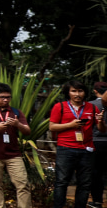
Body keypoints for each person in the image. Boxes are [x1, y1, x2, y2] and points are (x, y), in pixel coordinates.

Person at [50, 80, 102, 208]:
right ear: (68, 93)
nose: (77, 94)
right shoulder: (60, 106)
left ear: (85, 92)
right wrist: (70, 125)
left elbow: (101, 129)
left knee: (84, 184)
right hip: (65, 149)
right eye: (74, 91)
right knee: (62, 182)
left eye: (80, 91)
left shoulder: (92, 107)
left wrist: (101, 121)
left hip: (87, 150)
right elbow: (52, 127)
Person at [90, 82, 107, 208]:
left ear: (95, 91)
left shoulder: (90, 105)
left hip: (96, 141)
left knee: (96, 173)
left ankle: (97, 201)